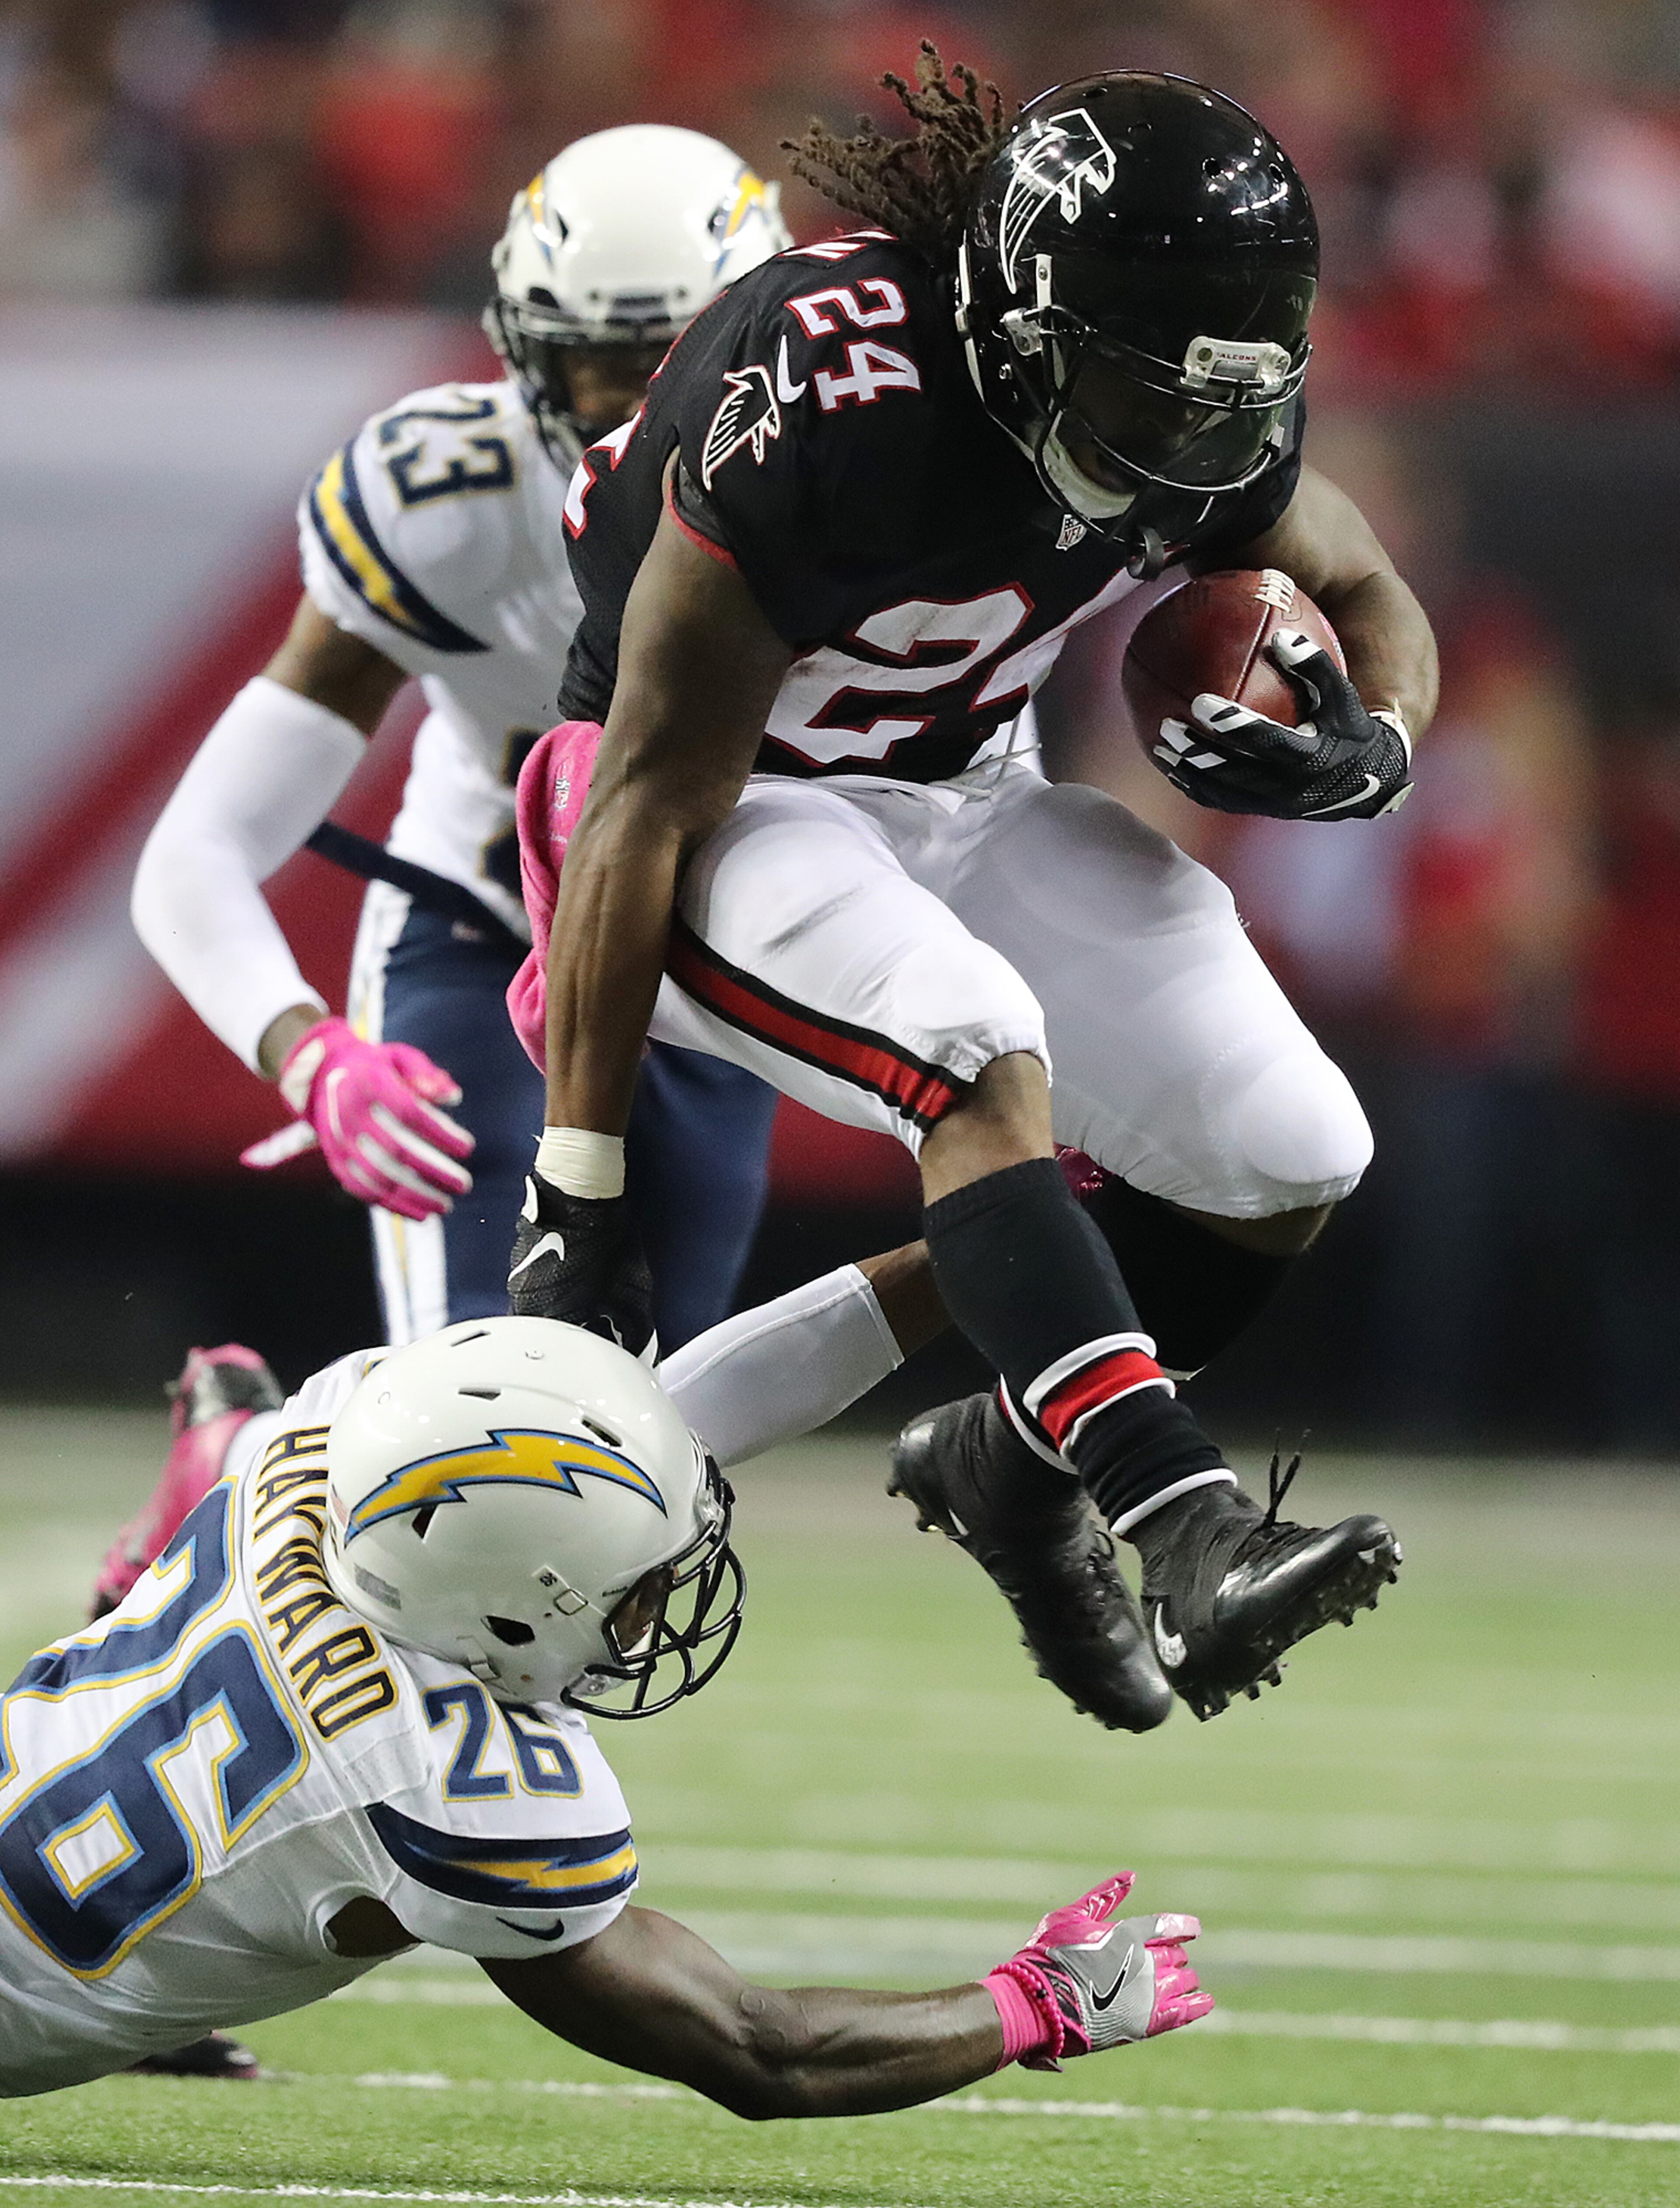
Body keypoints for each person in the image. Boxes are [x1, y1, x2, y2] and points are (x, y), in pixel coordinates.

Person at [502, 57, 1436, 1734]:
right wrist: (578, 1182)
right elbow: (645, 788)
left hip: (963, 783)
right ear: (1016, 328)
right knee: (971, 1040)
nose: (1184, 446)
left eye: (1215, 403)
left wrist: (1370, 746)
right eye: (1145, 397)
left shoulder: (1201, 402)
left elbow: (1366, 586)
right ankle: (1183, 1520)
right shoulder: (824, 392)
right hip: (723, 800)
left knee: (1286, 1146)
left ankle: (1011, 1462)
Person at [0, 1312, 1210, 2099]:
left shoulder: (331, 1448)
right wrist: (1038, 2004)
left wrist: (967, 1247)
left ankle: (204, 1466)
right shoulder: (453, 1788)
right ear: (515, 1608)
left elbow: (609, 1421)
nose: (655, 1608)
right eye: (634, 1588)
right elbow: (757, 2049)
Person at [130, 125, 789, 1354]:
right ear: (528, 352)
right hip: (487, 933)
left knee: (669, 1418)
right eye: (604, 363)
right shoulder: (448, 506)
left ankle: (240, 1458)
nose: (642, 410)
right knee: (483, 1397)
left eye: (681, 360)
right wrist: (307, 1051)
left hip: (715, 963)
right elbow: (199, 851)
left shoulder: (869, 494)